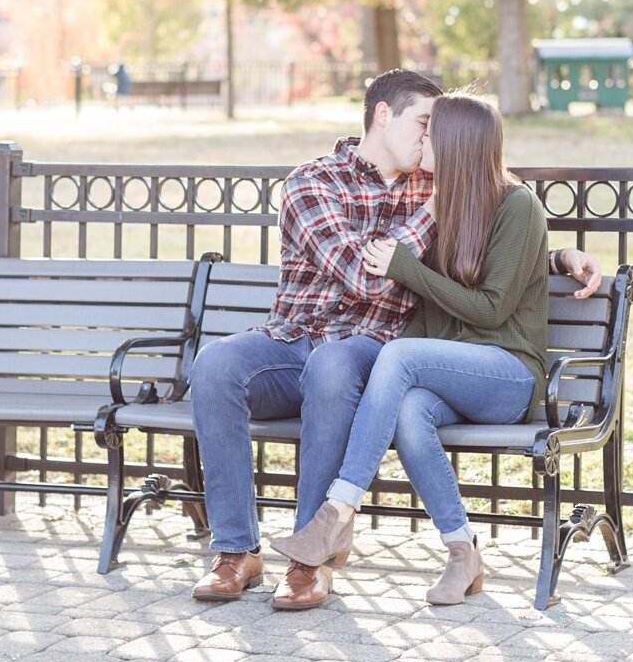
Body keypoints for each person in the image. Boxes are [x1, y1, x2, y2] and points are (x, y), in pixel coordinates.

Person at [188, 71, 601, 611]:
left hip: (367, 347)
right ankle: (236, 551)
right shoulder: (314, 183)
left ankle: (310, 558)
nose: (427, 138)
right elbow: (365, 275)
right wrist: (434, 210)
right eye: (422, 124)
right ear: (383, 115)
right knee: (215, 364)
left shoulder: (436, 181)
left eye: (436, 130)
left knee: (334, 365)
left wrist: (557, 258)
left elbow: (496, 227)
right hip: (293, 339)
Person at [269, 93, 554, 606]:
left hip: (509, 375)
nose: (421, 138)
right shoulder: (447, 209)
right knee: (408, 410)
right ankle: (462, 550)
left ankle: (338, 511)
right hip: (451, 375)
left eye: (430, 131)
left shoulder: (519, 205)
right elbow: (425, 302)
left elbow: (490, 308)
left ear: (456, 144)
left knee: (398, 356)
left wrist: (406, 268)